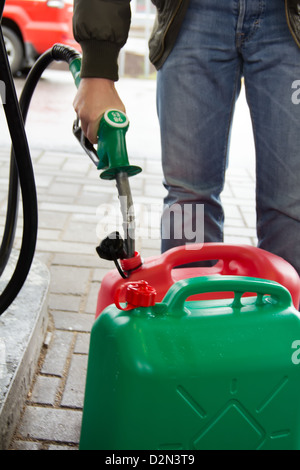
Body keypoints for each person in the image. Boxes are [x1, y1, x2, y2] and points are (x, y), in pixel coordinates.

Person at [73, 0, 300, 277]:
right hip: (192, 14)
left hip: (290, 21)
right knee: (188, 201)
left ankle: (289, 317)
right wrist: (98, 68)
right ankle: (190, 314)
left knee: (292, 202)